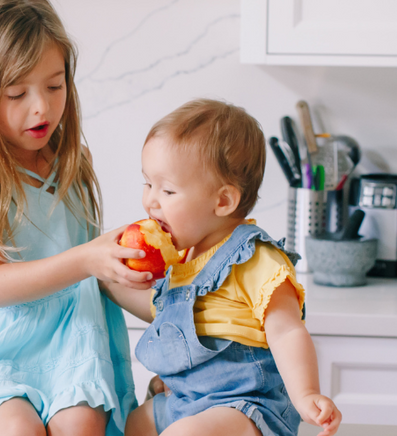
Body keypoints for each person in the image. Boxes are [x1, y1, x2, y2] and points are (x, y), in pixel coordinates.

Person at [0, 1, 148, 435]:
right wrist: (88, 258)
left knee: (81, 425)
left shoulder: (73, 162)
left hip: (74, 349)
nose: (41, 108)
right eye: (17, 94)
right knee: (16, 428)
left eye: (55, 85)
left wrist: (177, 313)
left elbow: (97, 277)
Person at [103, 99, 342, 436]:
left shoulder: (255, 258)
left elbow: (287, 330)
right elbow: (162, 312)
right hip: (185, 400)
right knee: (130, 425)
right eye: (148, 184)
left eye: (168, 190)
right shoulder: (184, 259)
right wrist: (107, 282)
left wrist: (306, 395)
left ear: (224, 201)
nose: (150, 200)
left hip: (242, 406)